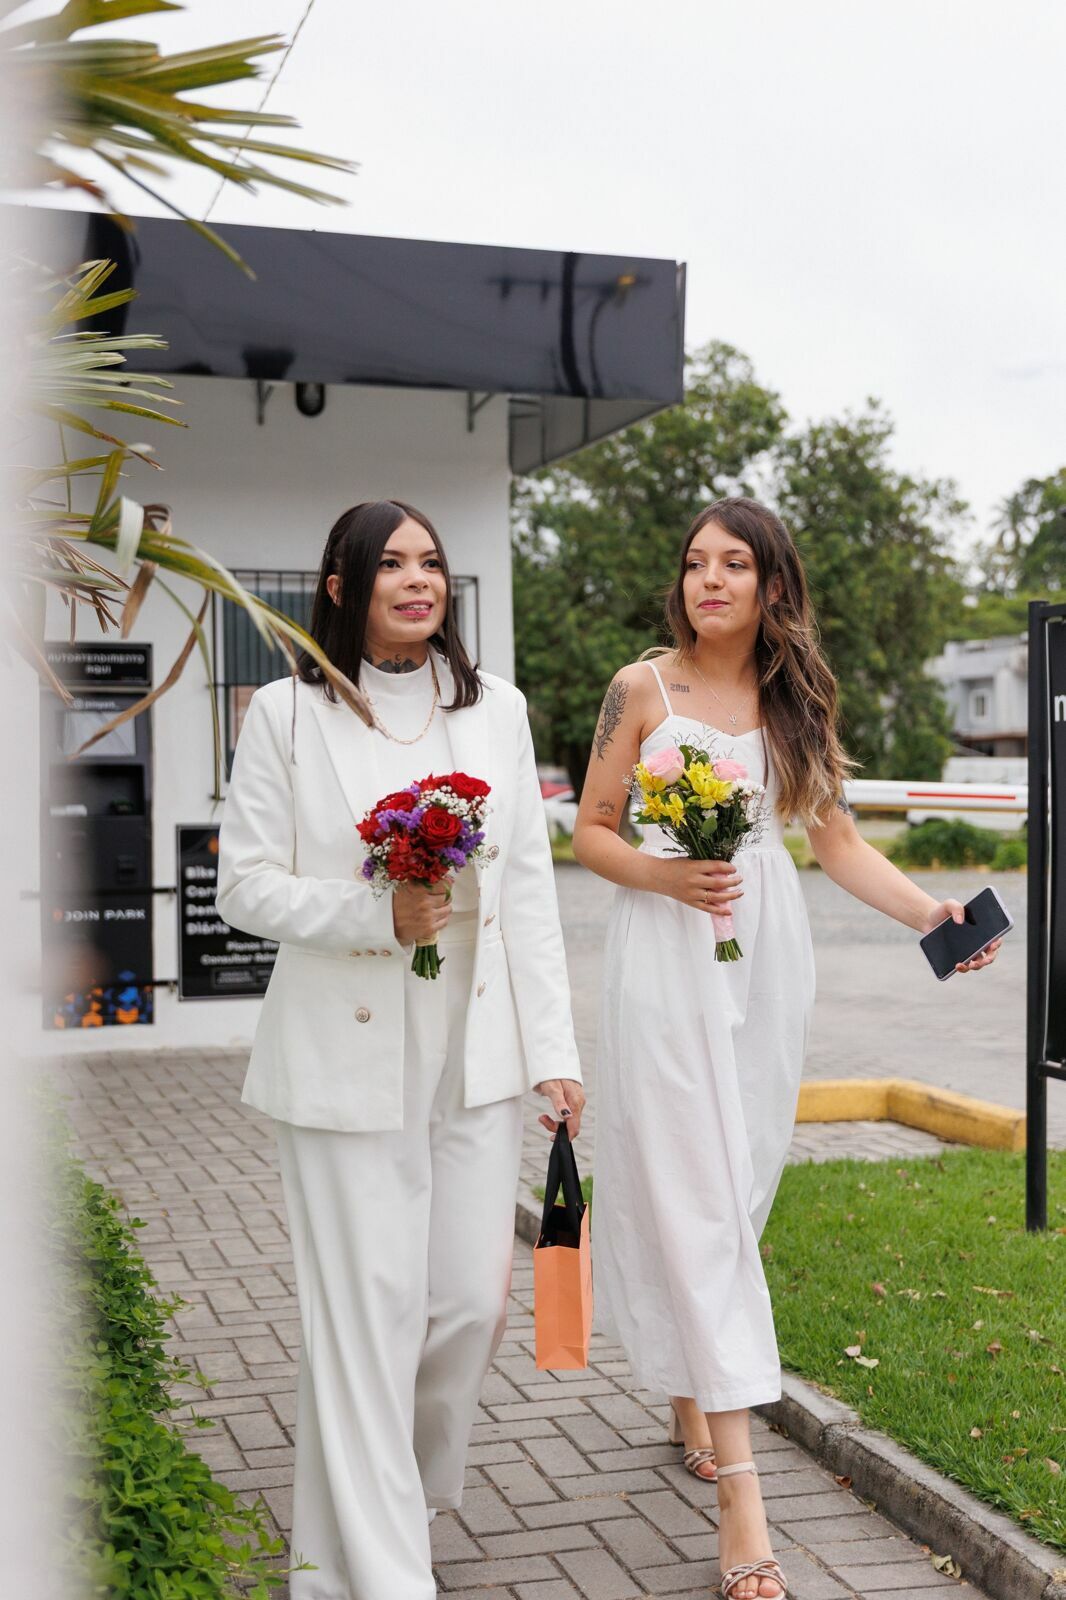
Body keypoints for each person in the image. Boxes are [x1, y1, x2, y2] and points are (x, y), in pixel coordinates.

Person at [571, 496, 1000, 1600]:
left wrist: (932, 918)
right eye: (692, 561)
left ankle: (686, 1388)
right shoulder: (640, 686)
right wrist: (667, 875)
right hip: (664, 957)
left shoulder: (794, 697)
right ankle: (743, 1505)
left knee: (740, 1187)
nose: (706, 579)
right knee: (698, 1196)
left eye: (732, 564)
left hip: (765, 960)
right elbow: (593, 828)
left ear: (771, 584)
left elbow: (836, 840)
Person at [216, 499, 585, 1600]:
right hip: (338, 1055)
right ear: (340, 586)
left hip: (471, 1048)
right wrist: (375, 914)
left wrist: (556, 1048)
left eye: (430, 562)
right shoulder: (282, 716)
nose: (417, 580)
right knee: (363, 1316)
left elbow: (527, 893)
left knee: (464, 1305)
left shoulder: (498, 712)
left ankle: (391, 1499)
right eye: (391, 564)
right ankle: (378, 1575)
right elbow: (245, 884)